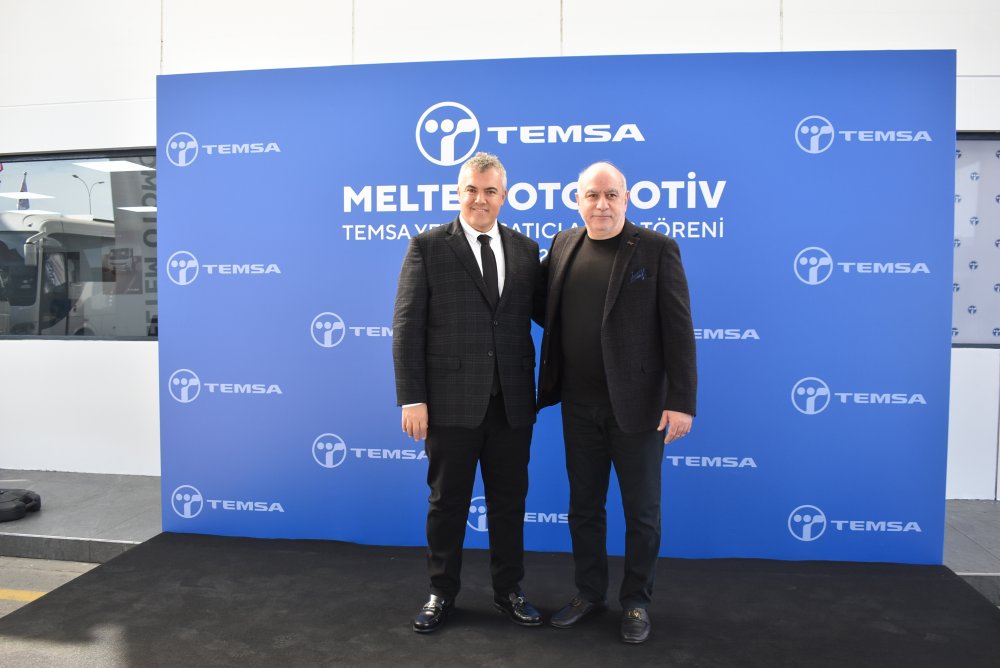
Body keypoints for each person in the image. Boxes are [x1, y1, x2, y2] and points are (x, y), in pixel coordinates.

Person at [537, 161, 697, 644]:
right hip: (577, 406)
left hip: (639, 407)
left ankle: (636, 602)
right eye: (592, 195)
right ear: (577, 200)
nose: (601, 204)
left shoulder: (656, 248)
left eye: (611, 195)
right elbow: (543, 307)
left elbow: (678, 329)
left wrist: (682, 400)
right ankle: (589, 594)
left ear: (626, 199)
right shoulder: (563, 245)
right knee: (584, 508)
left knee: (641, 512)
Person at [392, 152, 544, 633]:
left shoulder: (526, 250)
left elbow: (546, 315)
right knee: (447, 503)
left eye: (490, 191)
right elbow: (407, 326)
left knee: (509, 503)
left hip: (512, 403)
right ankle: (441, 593)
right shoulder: (428, 246)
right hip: (449, 402)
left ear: (504, 196)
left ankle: (509, 591)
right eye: (472, 190)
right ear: (458, 193)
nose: (481, 199)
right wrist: (412, 398)